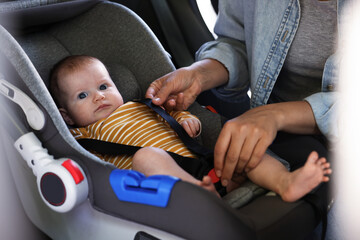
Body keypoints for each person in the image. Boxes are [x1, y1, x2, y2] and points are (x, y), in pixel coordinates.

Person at [50, 55, 331, 202]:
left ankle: (285, 182)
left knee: (241, 143)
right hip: (158, 180)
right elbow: (67, 149)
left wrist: (185, 119)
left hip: (205, 164)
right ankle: (198, 195)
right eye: (83, 96)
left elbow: (172, 113)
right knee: (145, 156)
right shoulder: (81, 135)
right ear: (67, 116)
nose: (98, 96)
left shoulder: (138, 105)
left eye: (103, 86)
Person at [146, 1, 339, 200]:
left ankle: (285, 182)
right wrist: (199, 75)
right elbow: (238, 42)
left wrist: (275, 115)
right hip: (272, 127)